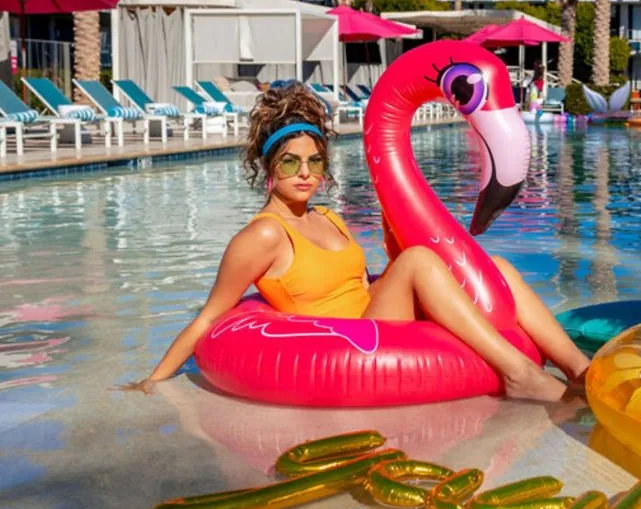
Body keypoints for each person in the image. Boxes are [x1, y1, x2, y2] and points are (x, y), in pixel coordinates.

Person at [122, 83, 586, 401]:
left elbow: (374, 276)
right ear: (268, 169)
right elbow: (210, 314)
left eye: (315, 161)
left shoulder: (327, 216)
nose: (305, 173)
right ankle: (520, 373)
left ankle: (578, 368)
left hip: (375, 314)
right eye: (289, 163)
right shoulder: (263, 234)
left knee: (496, 268)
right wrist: (153, 380)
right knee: (422, 262)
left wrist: (395, 220)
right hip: (353, 339)